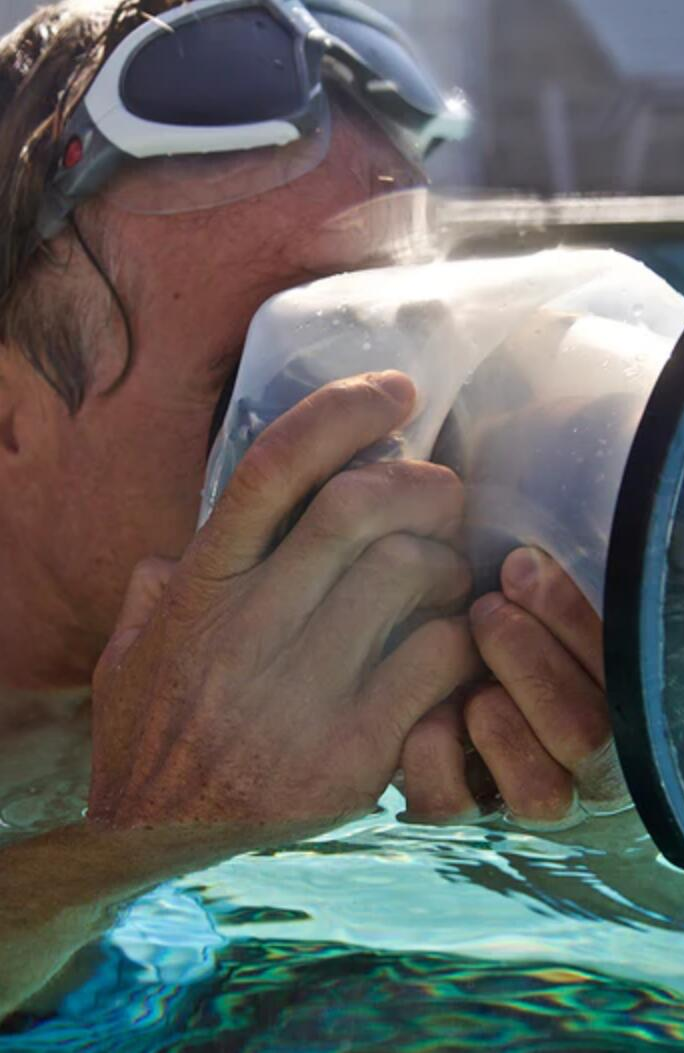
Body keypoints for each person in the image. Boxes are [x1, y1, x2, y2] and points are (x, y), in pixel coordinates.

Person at [0, 0, 613, 1015]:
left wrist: (608, 809)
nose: (388, 428)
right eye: (274, 370)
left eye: (400, 335)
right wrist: (152, 832)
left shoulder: (434, 561)